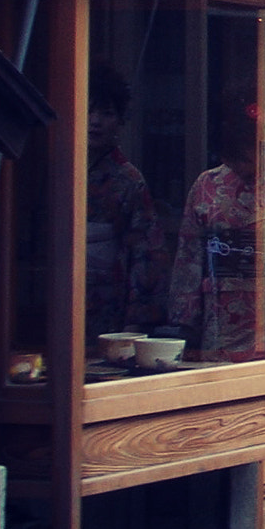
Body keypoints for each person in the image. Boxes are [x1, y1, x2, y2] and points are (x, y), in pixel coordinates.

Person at [170, 86, 265, 362]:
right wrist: (183, 320)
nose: (239, 164)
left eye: (246, 154)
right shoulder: (206, 185)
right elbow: (189, 256)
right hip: (220, 317)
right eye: (232, 156)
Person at [86, 64, 164, 340]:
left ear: (119, 119)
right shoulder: (55, 169)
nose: (95, 121)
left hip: (107, 299)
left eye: (106, 113)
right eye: (89, 110)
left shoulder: (128, 180)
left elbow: (145, 253)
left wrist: (135, 322)